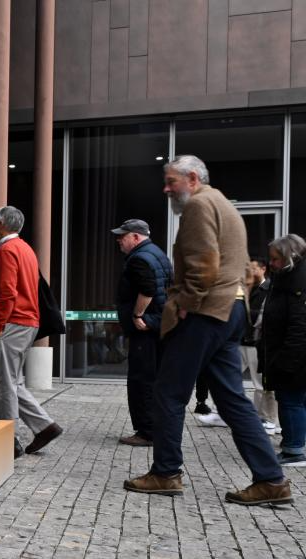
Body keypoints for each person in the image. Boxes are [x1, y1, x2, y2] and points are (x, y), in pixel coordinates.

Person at [123, 155, 291, 506]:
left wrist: (187, 302)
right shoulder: (223, 205)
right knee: (232, 400)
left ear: (193, 178)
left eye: (172, 181)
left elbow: (204, 265)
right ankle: (271, 479)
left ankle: (166, 473)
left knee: (168, 393)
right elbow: (233, 265)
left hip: (205, 312)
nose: (166, 189)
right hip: (229, 310)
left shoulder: (199, 206)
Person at [0, 205, 63, 458]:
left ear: (2, 224)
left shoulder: (7, 251)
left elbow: (7, 292)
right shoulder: (26, 249)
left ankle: (8, 439)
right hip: (28, 322)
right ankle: (45, 427)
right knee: (14, 381)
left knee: (6, 383)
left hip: (15, 322)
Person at [112, 219, 172, 447]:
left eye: (123, 236)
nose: (119, 240)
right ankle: (155, 428)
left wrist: (138, 316)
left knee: (141, 380)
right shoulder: (158, 254)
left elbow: (148, 289)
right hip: (158, 324)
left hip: (146, 329)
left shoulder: (139, 258)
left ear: (136, 237)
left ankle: (146, 432)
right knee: (153, 379)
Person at [261, 235, 306, 468]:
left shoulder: (296, 282)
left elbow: (299, 325)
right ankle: (295, 442)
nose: (271, 263)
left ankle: (294, 449)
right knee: (294, 400)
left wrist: (286, 360)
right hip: (289, 352)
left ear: (290, 256)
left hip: (292, 355)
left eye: (275, 259)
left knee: (290, 400)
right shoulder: (288, 277)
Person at [242, 256, 280, 433]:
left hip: (256, 341)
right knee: (229, 375)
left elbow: (260, 315)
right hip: (243, 339)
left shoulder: (268, 288)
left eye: (253, 268)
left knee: (261, 384)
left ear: (263, 269)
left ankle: (265, 418)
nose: (250, 271)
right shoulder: (249, 286)